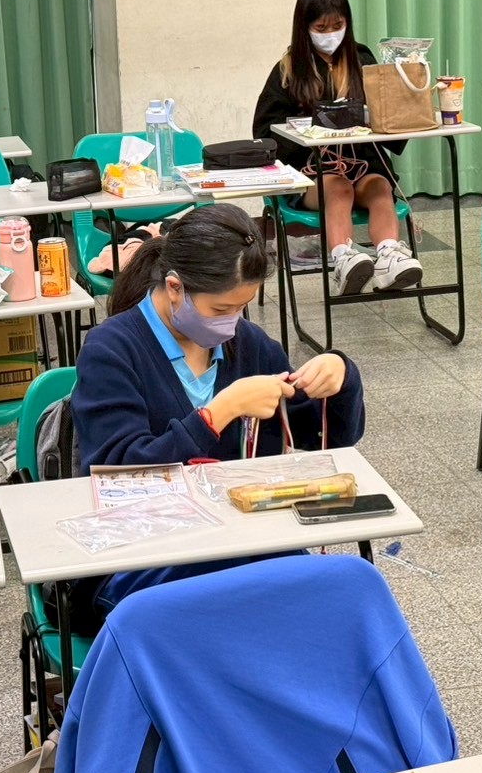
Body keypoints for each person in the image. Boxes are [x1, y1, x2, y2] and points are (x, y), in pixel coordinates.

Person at [71, 204, 365, 617]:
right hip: (142, 559)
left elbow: (325, 438)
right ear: (175, 288)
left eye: (241, 307)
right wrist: (218, 413)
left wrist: (340, 375)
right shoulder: (112, 349)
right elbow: (116, 468)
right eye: (221, 310)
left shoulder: (249, 344)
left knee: (352, 585)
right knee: (268, 602)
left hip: (240, 546)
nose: (232, 323)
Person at [253, 0, 421, 295]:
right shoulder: (288, 70)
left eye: (337, 26)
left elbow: (388, 117)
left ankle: (388, 256)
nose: (330, 34)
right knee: (338, 187)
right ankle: (344, 259)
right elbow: (264, 130)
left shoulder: (361, 60)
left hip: (363, 164)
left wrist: (396, 106)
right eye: (321, 28)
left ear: (348, 23)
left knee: (381, 187)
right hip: (313, 173)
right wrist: (304, 130)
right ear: (304, 28)